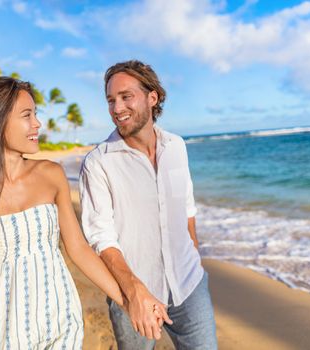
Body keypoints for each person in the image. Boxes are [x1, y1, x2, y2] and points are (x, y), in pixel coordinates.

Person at [0, 77, 127, 350]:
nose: (37, 124)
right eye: (27, 115)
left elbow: (78, 248)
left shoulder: (51, 175)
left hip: (59, 319)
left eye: (36, 114)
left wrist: (125, 299)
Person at [79, 60, 218, 349]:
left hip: (190, 286)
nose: (117, 108)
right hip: (135, 296)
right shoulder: (98, 163)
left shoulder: (176, 146)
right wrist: (133, 292)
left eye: (126, 97)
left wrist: (194, 256)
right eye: (111, 100)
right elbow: (101, 238)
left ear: (152, 97)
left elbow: (187, 208)